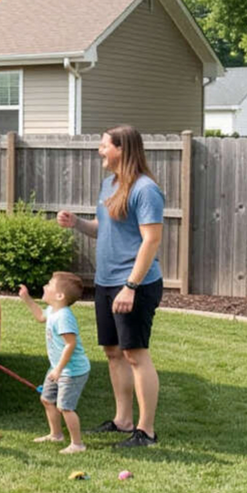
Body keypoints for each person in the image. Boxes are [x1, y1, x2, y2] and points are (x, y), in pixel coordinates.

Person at [57, 125, 164, 448]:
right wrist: (78, 223)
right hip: (106, 283)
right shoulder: (110, 184)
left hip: (134, 284)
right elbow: (104, 229)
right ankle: (123, 421)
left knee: (135, 354)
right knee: (114, 352)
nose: (100, 151)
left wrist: (131, 285)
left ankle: (146, 431)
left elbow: (151, 239)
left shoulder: (145, 190)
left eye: (104, 146)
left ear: (122, 149)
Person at [19, 272, 90, 454]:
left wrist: (59, 369)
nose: (45, 287)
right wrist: (26, 298)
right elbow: (41, 317)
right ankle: (56, 434)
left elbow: (70, 344)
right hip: (58, 368)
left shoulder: (64, 317)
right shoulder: (53, 311)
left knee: (65, 407)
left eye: (49, 285)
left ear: (60, 296)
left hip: (71, 370)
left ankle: (77, 444)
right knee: (47, 399)